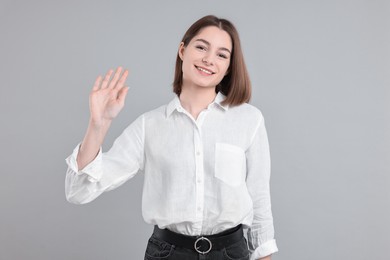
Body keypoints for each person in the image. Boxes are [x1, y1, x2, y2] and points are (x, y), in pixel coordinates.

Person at [65, 15, 278, 260]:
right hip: (169, 253)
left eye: (222, 54)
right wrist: (98, 125)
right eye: (201, 47)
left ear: (229, 66)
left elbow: (260, 201)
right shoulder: (150, 125)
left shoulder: (248, 119)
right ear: (182, 50)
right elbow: (78, 191)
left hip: (231, 253)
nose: (209, 60)